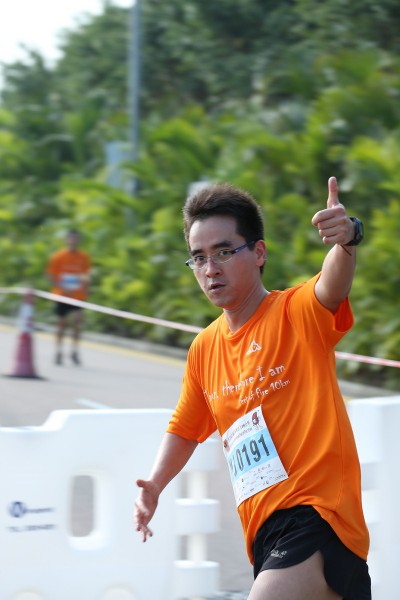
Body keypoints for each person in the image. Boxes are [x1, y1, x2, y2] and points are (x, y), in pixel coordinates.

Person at [134, 177, 371, 600]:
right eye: (199, 258)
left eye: (224, 252)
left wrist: (347, 238)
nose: (211, 268)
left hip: (318, 518)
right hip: (264, 534)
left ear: (258, 252)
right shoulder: (205, 348)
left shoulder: (295, 312)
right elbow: (185, 428)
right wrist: (154, 484)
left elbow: (332, 285)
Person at [46, 228, 91, 365]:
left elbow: (86, 275)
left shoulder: (83, 257)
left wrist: (86, 286)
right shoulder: (58, 256)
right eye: (71, 238)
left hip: (77, 295)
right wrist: (61, 286)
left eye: (75, 238)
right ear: (66, 240)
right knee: (61, 323)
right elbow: (50, 275)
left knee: (77, 322)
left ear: (78, 240)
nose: (73, 241)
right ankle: (58, 351)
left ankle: (74, 351)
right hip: (62, 295)